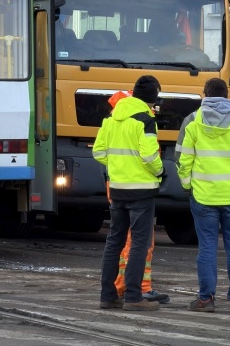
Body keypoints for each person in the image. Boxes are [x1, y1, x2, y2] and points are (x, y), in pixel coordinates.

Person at [177, 77, 230, 313]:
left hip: (204, 197)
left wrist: (187, 186)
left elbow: (183, 160)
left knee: (207, 248)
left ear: (204, 95)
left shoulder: (192, 122)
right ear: (227, 95)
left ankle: (206, 299)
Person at [92, 75, 164, 311]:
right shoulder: (145, 120)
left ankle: (108, 295)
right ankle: (133, 297)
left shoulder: (112, 118)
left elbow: (99, 152)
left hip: (118, 188)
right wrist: (160, 171)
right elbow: (150, 155)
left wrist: (117, 168)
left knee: (114, 241)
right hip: (141, 190)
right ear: (153, 98)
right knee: (139, 243)